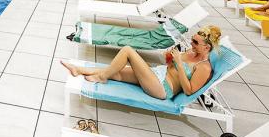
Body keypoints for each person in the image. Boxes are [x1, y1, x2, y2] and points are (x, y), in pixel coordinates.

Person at [61, 26, 221, 100]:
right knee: (115, 72)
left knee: (127, 50)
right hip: (158, 75)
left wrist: (179, 63)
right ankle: (78, 69)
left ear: (207, 47)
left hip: (162, 88)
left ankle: (101, 77)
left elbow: (189, 91)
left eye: (195, 42)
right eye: (192, 40)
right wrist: (170, 59)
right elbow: (171, 67)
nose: (191, 44)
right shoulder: (191, 52)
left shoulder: (204, 68)